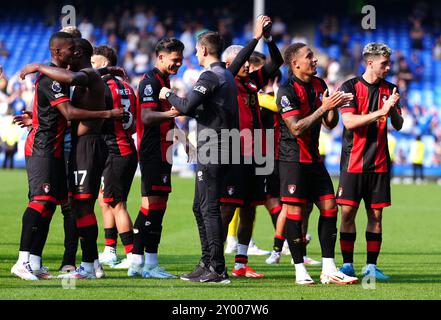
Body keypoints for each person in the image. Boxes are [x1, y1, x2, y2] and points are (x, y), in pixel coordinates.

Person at [11, 32, 123, 281]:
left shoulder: (64, 77)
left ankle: (80, 263)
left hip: (65, 147)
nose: (74, 53)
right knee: (44, 201)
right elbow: (69, 112)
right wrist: (107, 113)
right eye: (70, 49)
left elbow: (81, 82)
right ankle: (24, 261)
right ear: (58, 52)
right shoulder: (52, 79)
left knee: (64, 204)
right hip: (44, 148)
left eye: (76, 49)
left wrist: (106, 73)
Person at [159, 31, 238, 284]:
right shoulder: (226, 74)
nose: (194, 54)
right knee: (199, 206)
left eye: (195, 50)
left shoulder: (210, 75)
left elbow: (186, 107)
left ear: (203, 50)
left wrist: (167, 94)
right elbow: (207, 110)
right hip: (220, 146)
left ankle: (217, 268)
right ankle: (206, 263)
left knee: (209, 207)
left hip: (214, 148)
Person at [276, 43, 357, 285]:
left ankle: (328, 268)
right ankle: (300, 271)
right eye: (309, 57)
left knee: (330, 207)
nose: (314, 60)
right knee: (296, 213)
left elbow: (330, 124)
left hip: (314, 158)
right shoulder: (286, 90)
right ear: (295, 63)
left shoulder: (319, 84)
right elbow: (296, 128)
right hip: (292, 160)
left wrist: (334, 105)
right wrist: (324, 107)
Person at [220, 15, 283, 278]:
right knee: (227, 209)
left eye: (248, 62)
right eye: (243, 61)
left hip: (256, 156)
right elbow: (234, 66)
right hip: (234, 152)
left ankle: (241, 263)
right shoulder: (225, 80)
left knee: (249, 210)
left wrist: (268, 39)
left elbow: (277, 62)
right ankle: (216, 261)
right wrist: (255, 36)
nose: (247, 65)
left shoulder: (253, 82)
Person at [336, 42, 403, 281]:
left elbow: (398, 124)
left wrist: (393, 109)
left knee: (376, 216)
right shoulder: (349, 88)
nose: (388, 67)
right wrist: (381, 111)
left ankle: (371, 268)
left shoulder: (391, 88)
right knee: (347, 214)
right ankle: (347, 266)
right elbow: (350, 123)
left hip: (380, 163)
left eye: (389, 63)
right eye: (384, 64)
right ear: (370, 62)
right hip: (353, 162)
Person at [128, 38, 184, 279]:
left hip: (163, 148)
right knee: (155, 208)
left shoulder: (163, 80)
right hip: (154, 150)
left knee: (151, 206)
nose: (178, 64)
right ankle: (150, 264)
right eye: (174, 60)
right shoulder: (151, 82)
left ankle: (136, 262)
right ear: (160, 57)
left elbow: (164, 118)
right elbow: (148, 116)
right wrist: (174, 110)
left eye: (180, 59)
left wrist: (182, 138)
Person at [91, 45, 138, 269]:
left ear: (103, 63)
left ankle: (132, 256)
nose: (90, 67)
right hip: (125, 147)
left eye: (93, 63)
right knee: (105, 199)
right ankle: (110, 250)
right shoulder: (128, 87)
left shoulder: (103, 87)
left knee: (117, 204)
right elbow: (135, 124)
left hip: (115, 150)